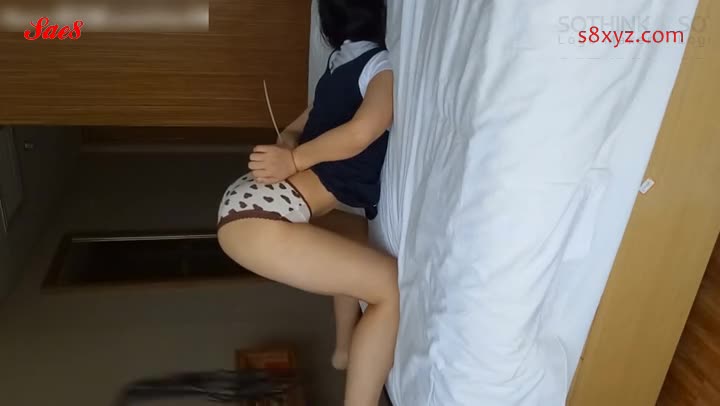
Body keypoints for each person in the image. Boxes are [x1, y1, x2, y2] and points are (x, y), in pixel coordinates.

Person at [216, 0, 398, 404]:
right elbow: (360, 131)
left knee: (356, 238)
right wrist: (292, 157)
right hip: (261, 216)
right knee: (389, 287)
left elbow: (315, 124)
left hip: (252, 208)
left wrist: (288, 146)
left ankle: (345, 349)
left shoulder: (341, 65)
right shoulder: (376, 64)